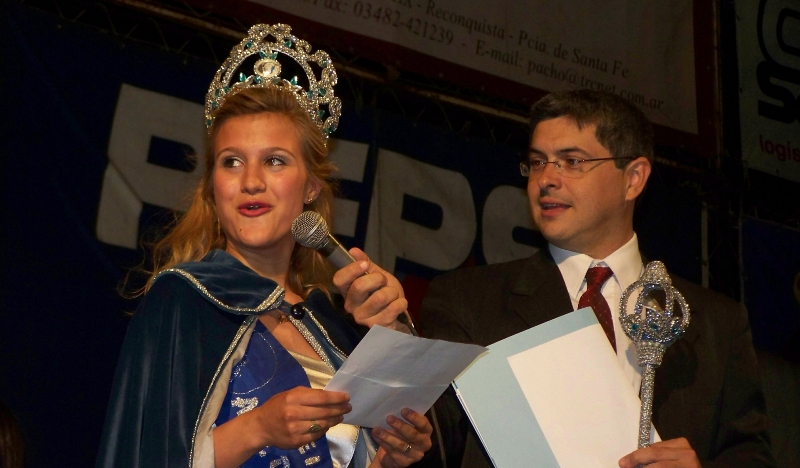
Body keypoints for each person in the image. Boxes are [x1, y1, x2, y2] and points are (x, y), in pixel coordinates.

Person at [96, 24, 432, 468]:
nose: (251, 181)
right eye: (232, 162)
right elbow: (145, 457)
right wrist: (257, 428)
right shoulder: (182, 302)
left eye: (274, 161)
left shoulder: (331, 327)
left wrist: (389, 456)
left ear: (311, 187)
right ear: (213, 187)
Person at [419, 90, 775, 467]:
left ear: (633, 178)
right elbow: (430, 442)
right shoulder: (468, 301)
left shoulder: (717, 323)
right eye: (537, 162)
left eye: (572, 161)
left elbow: (750, 457)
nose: (546, 179)